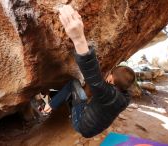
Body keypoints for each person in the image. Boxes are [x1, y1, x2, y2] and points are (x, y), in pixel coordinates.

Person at [31, 5, 136, 138]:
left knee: (73, 83)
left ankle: (48, 108)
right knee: (78, 95)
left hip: (81, 125)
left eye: (111, 74)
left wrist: (79, 38)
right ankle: (59, 103)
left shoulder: (107, 94)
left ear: (111, 79)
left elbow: (91, 71)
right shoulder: (126, 99)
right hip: (94, 129)